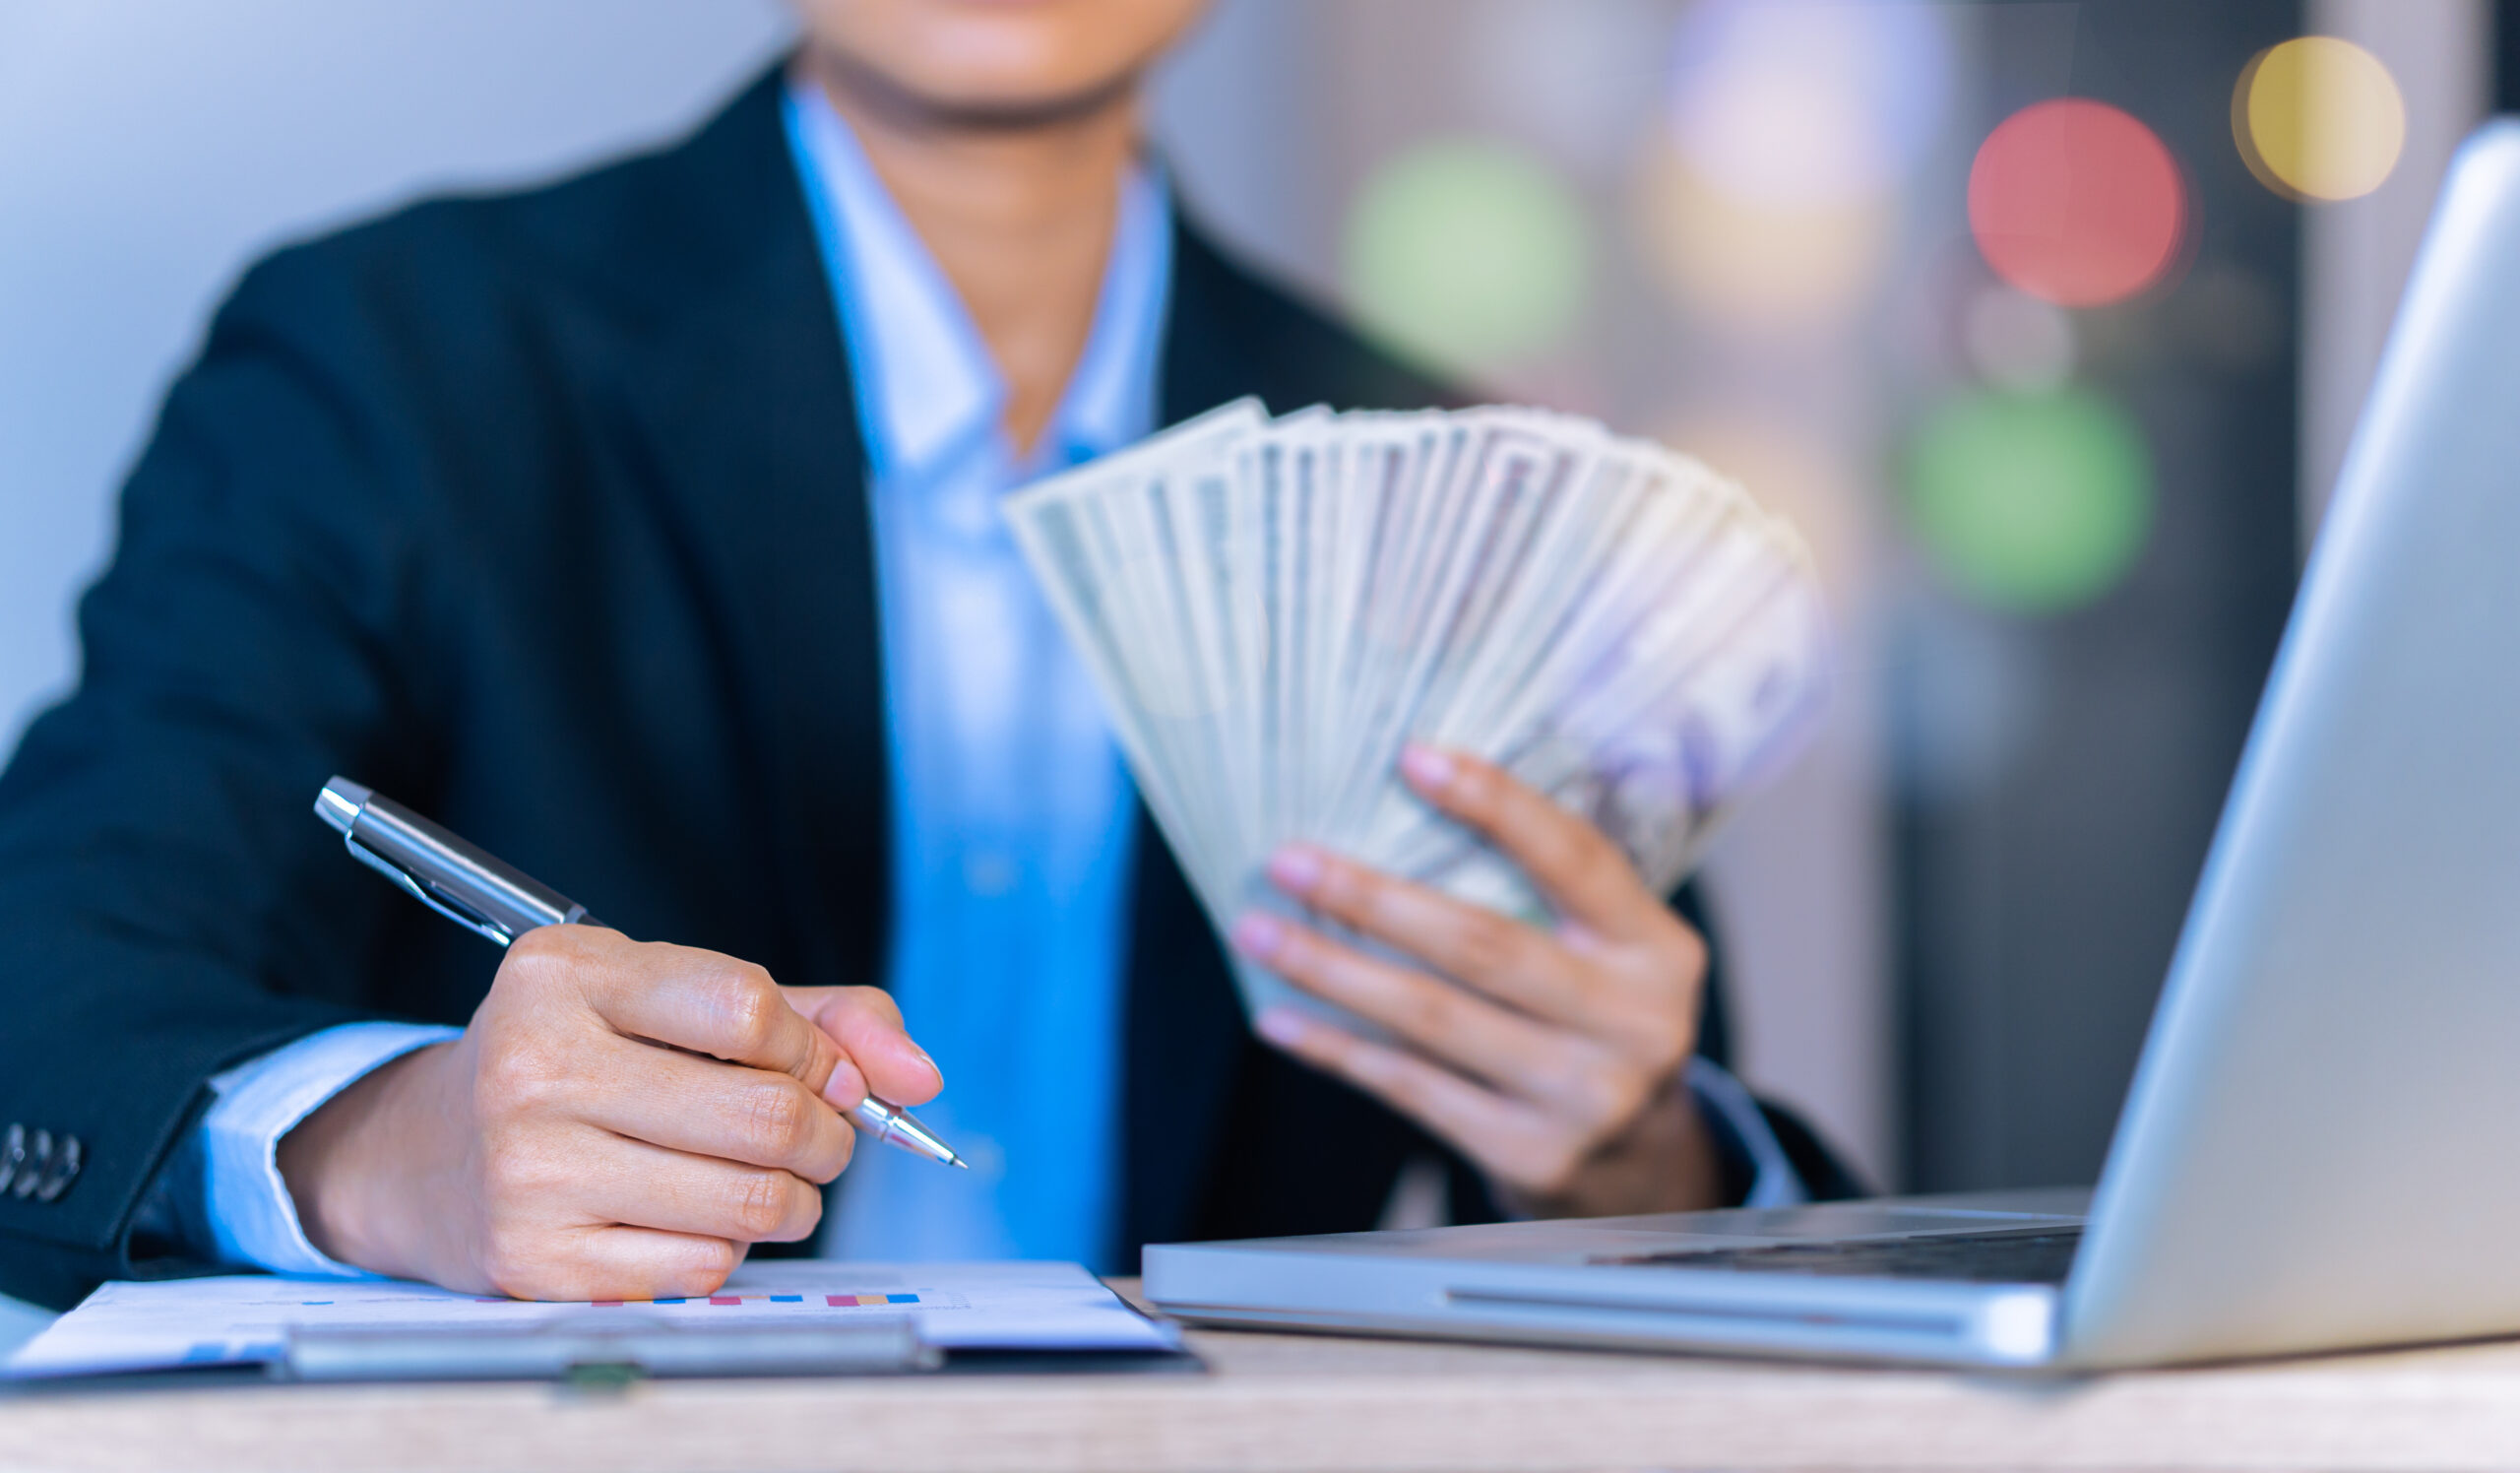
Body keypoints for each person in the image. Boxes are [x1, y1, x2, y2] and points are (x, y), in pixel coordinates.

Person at [0, 0, 1853, 1310]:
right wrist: (392, 1152)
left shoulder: (1442, 481)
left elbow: (1662, 1104)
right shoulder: (394, 362)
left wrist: (1642, 1164)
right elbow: (47, 974)